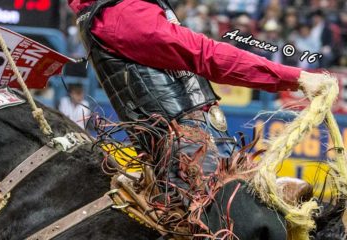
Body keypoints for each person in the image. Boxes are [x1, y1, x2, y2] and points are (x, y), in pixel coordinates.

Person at [67, 0, 333, 238]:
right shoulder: (123, 13)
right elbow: (204, 54)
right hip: (188, 157)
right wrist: (295, 77)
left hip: (200, 148)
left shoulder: (122, 9)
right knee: (253, 225)